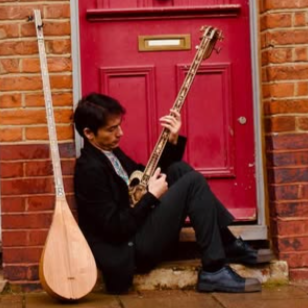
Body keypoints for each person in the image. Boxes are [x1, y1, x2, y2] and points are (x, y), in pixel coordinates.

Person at [73, 92, 273, 294]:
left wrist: (172, 140)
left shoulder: (110, 153)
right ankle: (214, 270)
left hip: (137, 231)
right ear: (89, 133)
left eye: (119, 126)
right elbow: (115, 228)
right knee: (193, 182)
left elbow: (147, 174)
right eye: (112, 129)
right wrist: (151, 197)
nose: (120, 133)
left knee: (179, 170)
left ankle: (227, 243)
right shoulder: (89, 171)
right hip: (130, 250)